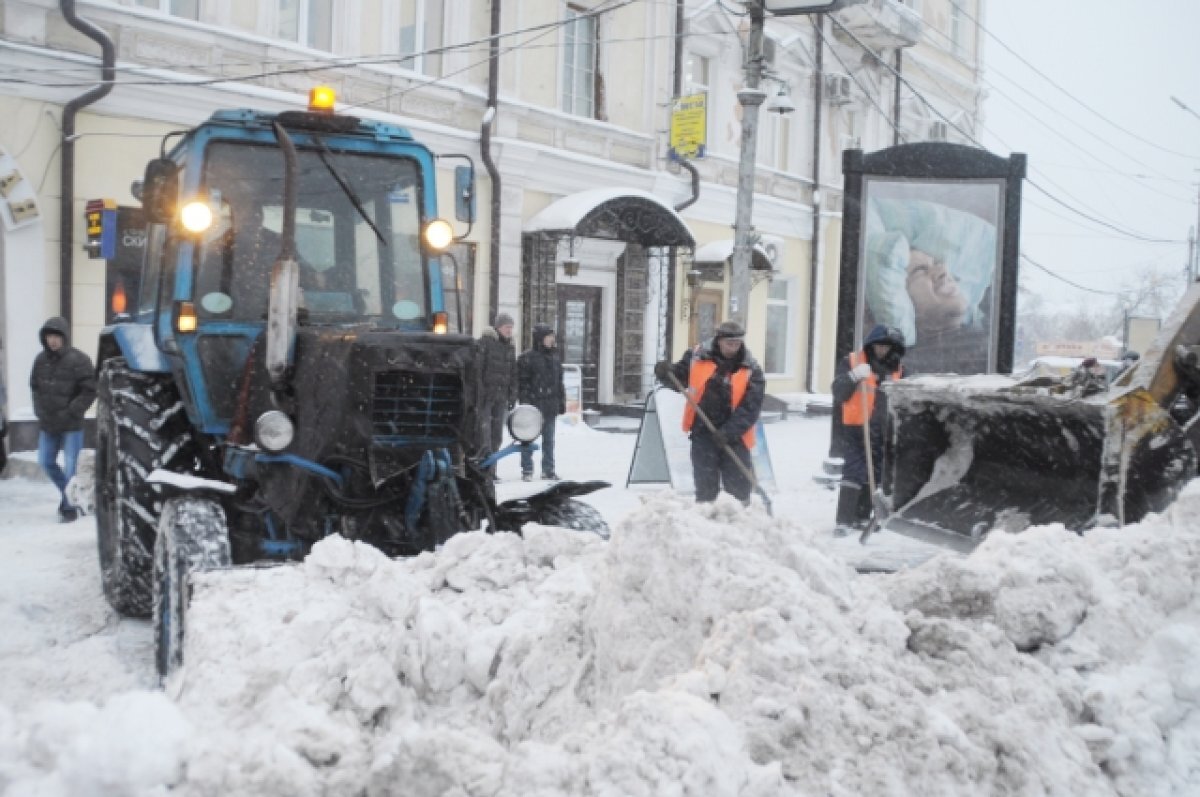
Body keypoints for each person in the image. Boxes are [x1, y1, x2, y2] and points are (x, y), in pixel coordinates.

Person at [654, 320, 766, 504]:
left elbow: (750, 408)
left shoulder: (751, 369)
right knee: (706, 489)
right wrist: (665, 372)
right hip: (703, 431)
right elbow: (679, 379)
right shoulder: (697, 357)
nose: (734, 348)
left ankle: (741, 524)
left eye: (737, 344)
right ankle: (706, 522)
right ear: (719, 340)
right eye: (730, 343)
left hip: (736, 438)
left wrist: (728, 432)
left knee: (738, 489)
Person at [830, 324, 906, 537]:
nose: (882, 350)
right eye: (879, 346)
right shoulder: (852, 362)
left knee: (876, 475)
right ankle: (844, 520)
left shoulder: (898, 368)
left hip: (884, 430)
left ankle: (863, 516)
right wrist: (853, 377)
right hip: (856, 426)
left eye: (887, 347)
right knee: (854, 472)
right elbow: (838, 391)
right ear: (871, 345)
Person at [30, 317, 96, 522]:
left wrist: (72, 410)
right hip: (48, 423)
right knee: (46, 461)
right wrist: (39, 411)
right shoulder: (40, 361)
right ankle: (70, 497)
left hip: (71, 424)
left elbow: (90, 390)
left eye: (57, 336)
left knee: (71, 467)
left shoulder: (80, 360)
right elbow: (35, 387)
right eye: (49, 336)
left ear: (65, 337)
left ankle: (69, 508)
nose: (53, 341)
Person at [518, 323, 565, 481]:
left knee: (549, 440)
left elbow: (559, 382)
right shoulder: (527, 358)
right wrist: (525, 402)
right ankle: (527, 470)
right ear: (540, 339)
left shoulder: (555, 358)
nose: (552, 339)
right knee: (528, 438)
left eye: (552, 336)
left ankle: (548, 469)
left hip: (550, 405)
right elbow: (522, 383)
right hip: (534, 405)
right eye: (548, 336)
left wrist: (561, 401)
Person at [476, 312, 517, 479]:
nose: (510, 330)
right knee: (483, 436)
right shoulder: (485, 344)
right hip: (486, 397)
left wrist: (512, 395)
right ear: (499, 327)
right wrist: (480, 394)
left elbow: (513, 373)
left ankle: (492, 470)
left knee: (497, 436)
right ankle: (482, 469)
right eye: (507, 327)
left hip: (501, 397)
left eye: (511, 327)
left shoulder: (510, 347)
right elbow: (478, 371)